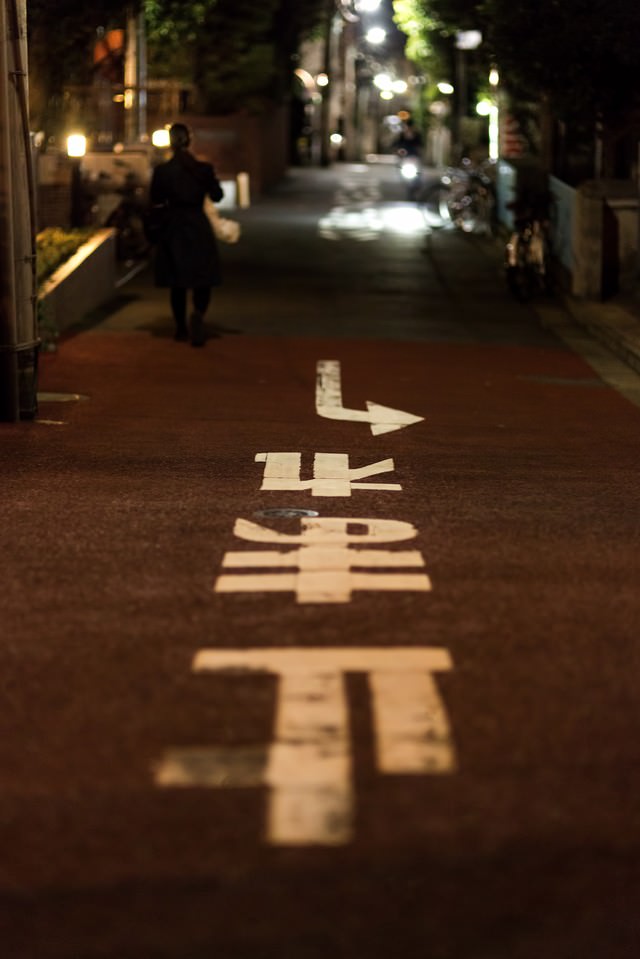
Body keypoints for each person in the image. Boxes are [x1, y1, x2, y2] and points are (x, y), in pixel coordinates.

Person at [149, 123, 224, 346]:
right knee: (203, 277)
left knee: (177, 280)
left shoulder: (162, 171)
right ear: (189, 140)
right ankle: (198, 314)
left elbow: (155, 198)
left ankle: (181, 328)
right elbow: (217, 195)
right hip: (197, 224)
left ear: (171, 142)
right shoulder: (203, 169)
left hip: (173, 225)